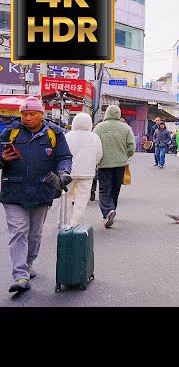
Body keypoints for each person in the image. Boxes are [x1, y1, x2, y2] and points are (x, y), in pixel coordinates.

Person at [0, 96, 72, 293]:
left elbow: (64, 157)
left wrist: (64, 171)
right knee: (18, 231)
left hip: (42, 190)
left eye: (32, 114)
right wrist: (3, 159)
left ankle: (29, 262)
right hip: (13, 191)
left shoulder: (54, 133)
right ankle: (20, 276)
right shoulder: (11, 132)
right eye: (24, 114)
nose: (28, 118)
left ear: (42, 114)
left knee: (35, 233)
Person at [92, 105, 136, 228]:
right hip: (120, 164)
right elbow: (131, 147)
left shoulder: (99, 127)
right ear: (118, 114)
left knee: (104, 189)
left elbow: (93, 144)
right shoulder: (125, 128)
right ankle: (112, 210)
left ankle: (108, 212)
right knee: (115, 189)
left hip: (104, 164)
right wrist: (125, 156)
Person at [64, 112, 103, 225]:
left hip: (69, 172)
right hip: (87, 173)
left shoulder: (68, 136)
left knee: (67, 196)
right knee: (82, 199)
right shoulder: (94, 137)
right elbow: (99, 154)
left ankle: (62, 220)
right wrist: (93, 164)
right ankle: (76, 222)